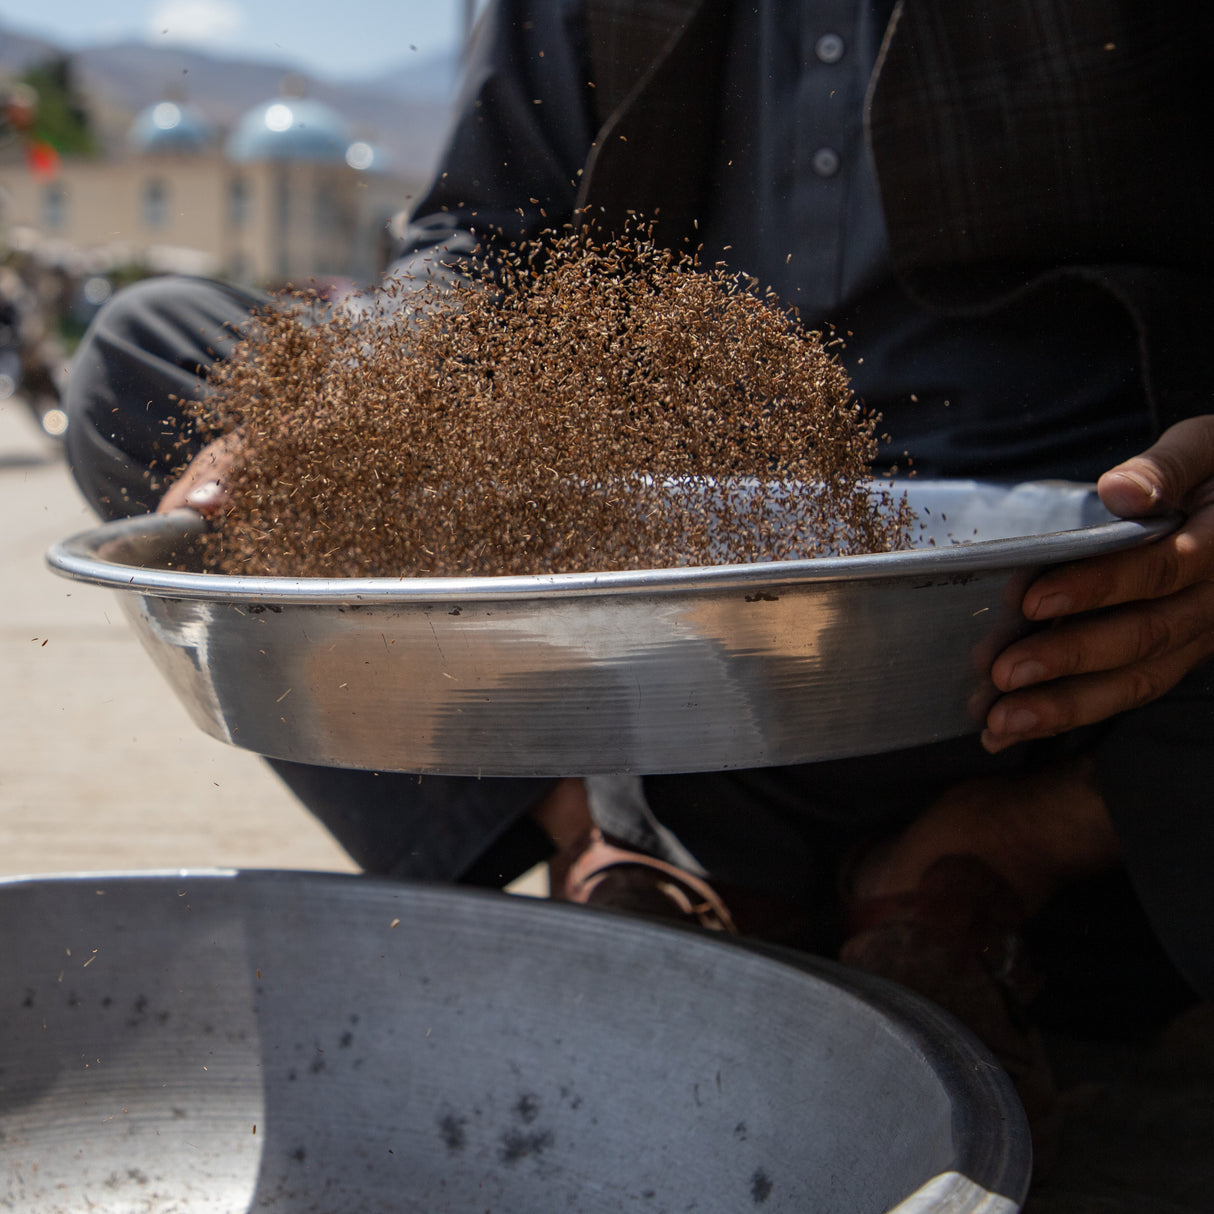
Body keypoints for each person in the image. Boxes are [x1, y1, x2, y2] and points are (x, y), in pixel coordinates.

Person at [65, 0, 1214, 1165]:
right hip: (654, 587)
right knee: (147, 358)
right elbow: (484, 235)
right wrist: (345, 401)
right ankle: (609, 833)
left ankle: (1015, 847)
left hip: (1066, 607)